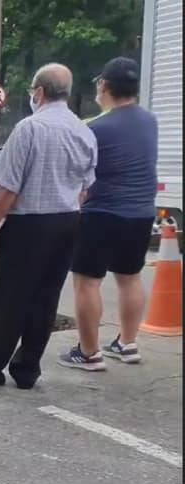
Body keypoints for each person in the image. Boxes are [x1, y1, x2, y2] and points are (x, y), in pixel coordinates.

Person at [0, 63, 98, 389]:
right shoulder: (84, 132)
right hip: (68, 222)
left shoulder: (29, 129)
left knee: (8, 299)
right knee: (45, 297)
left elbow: (8, 188)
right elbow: (86, 189)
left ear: (40, 92)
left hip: (28, 225)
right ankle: (27, 369)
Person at [60, 57, 158, 370]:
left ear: (104, 86)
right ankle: (127, 343)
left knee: (87, 282)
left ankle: (89, 353)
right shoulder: (150, 121)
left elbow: (76, 175)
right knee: (130, 278)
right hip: (142, 212)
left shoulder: (95, 128)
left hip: (102, 213)